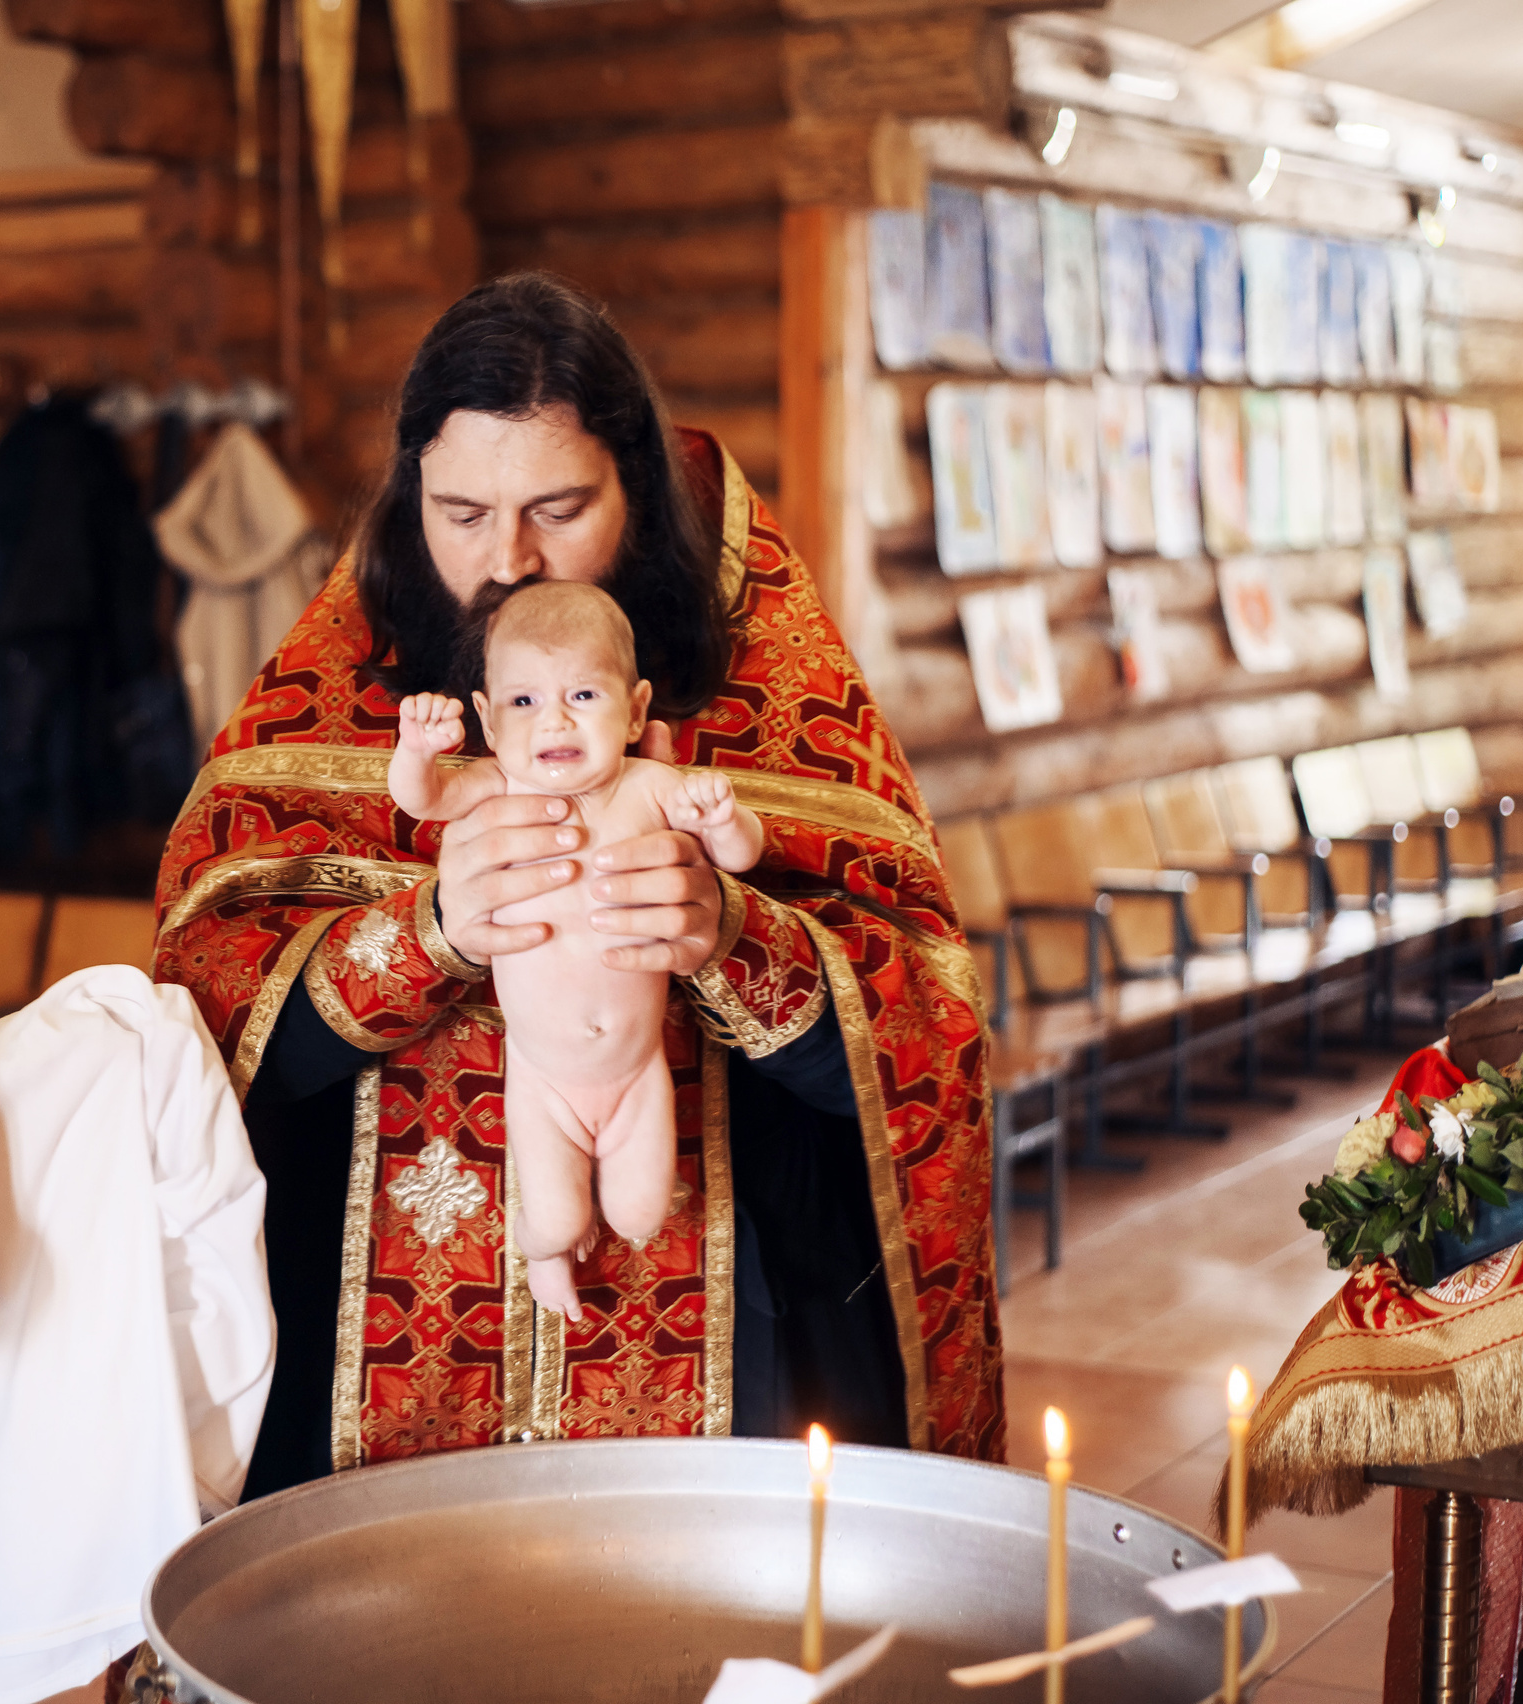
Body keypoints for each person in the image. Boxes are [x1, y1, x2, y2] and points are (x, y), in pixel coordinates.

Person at [154, 272, 1004, 1493]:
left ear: (639, 496)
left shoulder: (776, 698)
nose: (504, 562)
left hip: (726, 1356)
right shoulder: (333, 700)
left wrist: (731, 935)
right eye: (458, 512)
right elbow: (202, 1015)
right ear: (408, 504)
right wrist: (425, 932)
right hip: (368, 1397)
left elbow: (925, 1029)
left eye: (558, 509)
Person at [388, 581, 764, 1320]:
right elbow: (419, 799)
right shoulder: (495, 785)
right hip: (541, 1073)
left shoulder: (650, 786)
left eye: (584, 696)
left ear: (637, 710)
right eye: (524, 702)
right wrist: (417, 750)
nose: (554, 719)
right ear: (488, 721)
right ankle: (544, 1249)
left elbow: (742, 856)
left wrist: (723, 822)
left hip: (634, 1066)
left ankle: (584, 1224)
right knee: (557, 1217)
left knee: (641, 1213)